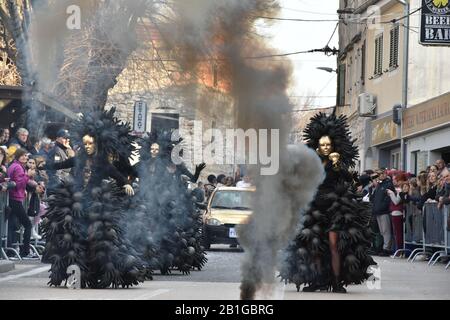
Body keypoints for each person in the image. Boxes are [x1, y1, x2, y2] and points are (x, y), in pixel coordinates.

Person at [41, 108, 145, 288]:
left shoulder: (103, 161)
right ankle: (69, 267)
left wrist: (126, 184)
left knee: (103, 234)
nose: (87, 146)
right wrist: (45, 165)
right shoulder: (79, 158)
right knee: (68, 231)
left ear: (96, 144)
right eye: (85, 144)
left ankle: (106, 268)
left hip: (97, 203)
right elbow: (63, 163)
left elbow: (116, 174)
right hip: (77, 201)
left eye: (90, 143)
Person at [280, 112, 375, 293]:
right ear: (317, 145)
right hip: (314, 208)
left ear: (333, 145)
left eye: (328, 144)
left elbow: (348, 178)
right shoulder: (311, 162)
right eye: (322, 144)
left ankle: (337, 281)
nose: (325, 147)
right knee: (314, 246)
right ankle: (317, 281)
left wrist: (337, 164)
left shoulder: (336, 163)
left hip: (334, 209)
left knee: (334, 245)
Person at [7, 149, 38, 259]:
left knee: (10, 225)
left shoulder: (13, 166)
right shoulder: (18, 167)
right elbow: (18, 184)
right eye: (23, 156)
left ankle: (10, 251)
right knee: (27, 225)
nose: (25, 157)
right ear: (18, 156)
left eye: (26, 156)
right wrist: (28, 175)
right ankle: (25, 252)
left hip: (12, 198)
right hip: (15, 199)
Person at [370, 168, 395, 256]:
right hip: (377, 211)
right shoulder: (379, 185)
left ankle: (386, 248)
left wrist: (382, 207)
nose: (379, 176)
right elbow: (373, 198)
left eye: (381, 174)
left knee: (386, 230)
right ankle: (383, 247)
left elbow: (388, 199)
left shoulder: (388, 184)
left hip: (384, 211)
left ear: (385, 174)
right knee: (382, 231)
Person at [46, 129, 73, 193]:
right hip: (57, 185)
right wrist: (59, 187)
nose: (67, 140)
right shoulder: (57, 150)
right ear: (57, 138)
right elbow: (56, 171)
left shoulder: (63, 149)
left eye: (68, 138)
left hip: (63, 182)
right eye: (64, 138)